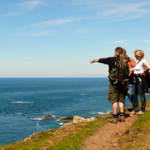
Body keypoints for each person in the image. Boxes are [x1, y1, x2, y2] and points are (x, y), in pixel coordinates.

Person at [90, 47, 128, 124]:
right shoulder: (125, 60)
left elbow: (101, 60)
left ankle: (114, 117)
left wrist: (93, 60)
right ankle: (122, 115)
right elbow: (127, 73)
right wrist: (126, 84)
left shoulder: (111, 59)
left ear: (116, 52)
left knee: (114, 100)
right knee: (121, 99)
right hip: (123, 82)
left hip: (113, 82)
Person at [130, 50, 150, 115]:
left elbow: (149, 67)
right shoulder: (139, 62)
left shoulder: (143, 61)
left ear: (138, 55)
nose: (135, 56)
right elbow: (136, 69)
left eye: (135, 55)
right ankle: (135, 109)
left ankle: (142, 109)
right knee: (134, 94)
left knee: (141, 95)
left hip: (140, 80)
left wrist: (144, 71)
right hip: (135, 80)